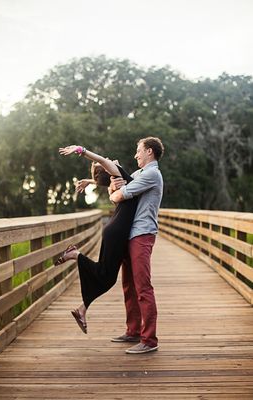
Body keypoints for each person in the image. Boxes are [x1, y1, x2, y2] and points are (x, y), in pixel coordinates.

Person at [57, 145, 139, 335]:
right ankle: (75, 254)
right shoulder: (121, 176)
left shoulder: (122, 179)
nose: (110, 158)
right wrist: (81, 150)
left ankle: (82, 310)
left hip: (114, 230)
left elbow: (104, 172)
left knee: (106, 276)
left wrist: (90, 180)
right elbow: (103, 161)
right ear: (109, 170)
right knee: (106, 276)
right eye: (106, 162)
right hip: (117, 232)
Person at [109, 137, 164, 354]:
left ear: (149, 151)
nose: (135, 155)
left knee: (143, 287)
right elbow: (116, 191)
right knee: (129, 285)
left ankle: (149, 340)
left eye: (138, 151)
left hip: (142, 234)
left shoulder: (152, 174)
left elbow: (119, 197)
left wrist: (115, 191)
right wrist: (111, 185)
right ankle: (133, 331)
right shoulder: (139, 174)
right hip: (131, 234)